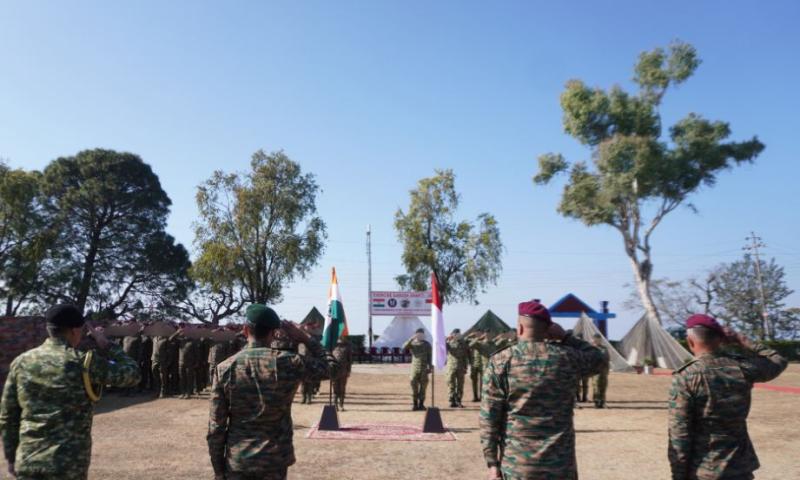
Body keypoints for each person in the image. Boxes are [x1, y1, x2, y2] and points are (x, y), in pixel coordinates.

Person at [0, 304, 141, 480]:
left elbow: (8, 415)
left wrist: (11, 458)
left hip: (29, 460)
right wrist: (106, 344)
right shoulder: (83, 362)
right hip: (67, 465)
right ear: (75, 331)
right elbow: (132, 374)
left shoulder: (21, 362)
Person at [208, 304, 337, 480]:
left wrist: (218, 470)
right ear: (274, 333)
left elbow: (216, 427)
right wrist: (305, 338)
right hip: (274, 460)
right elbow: (332, 368)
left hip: (239, 461)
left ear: (245, 330)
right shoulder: (289, 362)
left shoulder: (224, 368)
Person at [480, 300, 606, 480]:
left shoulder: (501, 361)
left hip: (518, 466)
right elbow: (600, 359)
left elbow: (490, 416)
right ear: (548, 329)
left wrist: (492, 463)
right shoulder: (567, 357)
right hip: (560, 465)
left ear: (520, 328)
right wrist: (566, 337)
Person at [668, 314, 787, 480]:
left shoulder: (686, 376)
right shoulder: (743, 367)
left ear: (690, 341)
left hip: (703, 471)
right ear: (720, 340)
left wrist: (678, 475)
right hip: (740, 468)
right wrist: (742, 339)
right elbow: (777, 360)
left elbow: (680, 432)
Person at [402, 328, 432, 411]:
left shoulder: (427, 344)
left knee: (423, 387)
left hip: (424, 369)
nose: (420, 335)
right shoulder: (412, 343)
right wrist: (411, 339)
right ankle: (415, 404)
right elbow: (404, 347)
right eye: (418, 334)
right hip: (414, 369)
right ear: (415, 334)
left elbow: (430, 356)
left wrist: (430, 367)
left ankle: (421, 404)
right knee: (414, 387)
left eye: (422, 334)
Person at [170, 327, 200, 399]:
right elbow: (170, 339)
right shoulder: (180, 341)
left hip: (190, 363)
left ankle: (188, 393)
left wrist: (196, 362)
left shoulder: (193, 342)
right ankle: (183, 392)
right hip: (181, 363)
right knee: (182, 378)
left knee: (189, 379)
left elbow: (197, 353)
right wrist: (177, 332)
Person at [445, 328, 469, 408]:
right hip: (451, 367)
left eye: (459, 334)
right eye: (456, 334)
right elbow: (442, 347)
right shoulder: (449, 343)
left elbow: (465, 356)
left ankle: (459, 400)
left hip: (460, 367)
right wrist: (447, 339)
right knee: (451, 384)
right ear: (453, 334)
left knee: (460, 385)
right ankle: (451, 400)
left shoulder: (463, 343)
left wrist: (465, 367)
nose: (458, 335)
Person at [331, 336, 353, 411]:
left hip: (343, 371)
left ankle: (341, 404)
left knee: (342, 388)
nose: (340, 341)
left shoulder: (347, 347)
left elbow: (349, 360)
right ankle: (335, 405)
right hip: (334, 371)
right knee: (335, 388)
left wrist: (349, 370)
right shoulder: (332, 346)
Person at [591, 333, 610, 408]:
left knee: (603, 386)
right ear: (593, 339)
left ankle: (603, 401)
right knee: (596, 386)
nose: (597, 340)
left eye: (599, 339)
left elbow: (608, 358)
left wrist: (607, 370)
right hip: (595, 370)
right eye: (595, 338)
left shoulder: (604, 348)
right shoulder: (591, 348)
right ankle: (596, 402)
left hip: (603, 370)